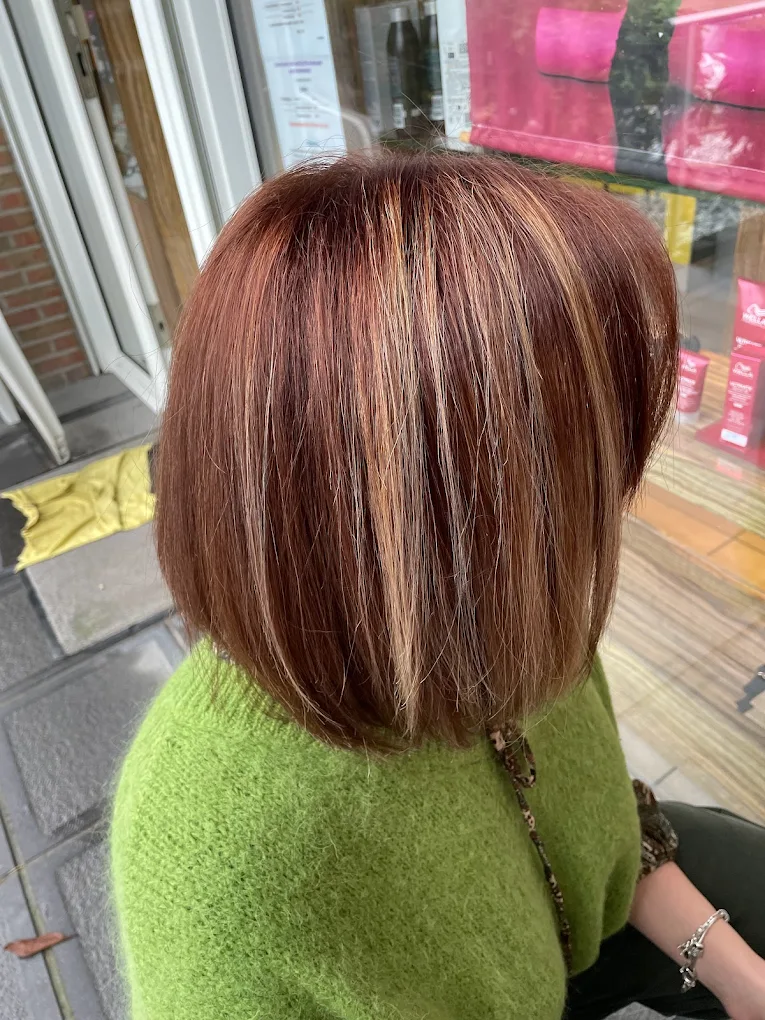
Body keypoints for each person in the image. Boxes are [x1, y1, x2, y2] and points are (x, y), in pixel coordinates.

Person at [111, 151, 765, 1020]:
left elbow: (608, 821)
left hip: (562, 937)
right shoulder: (218, 848)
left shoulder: (501, 611)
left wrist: (741, 979)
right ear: (433, 513)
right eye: (574, 454)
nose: (613, 499)